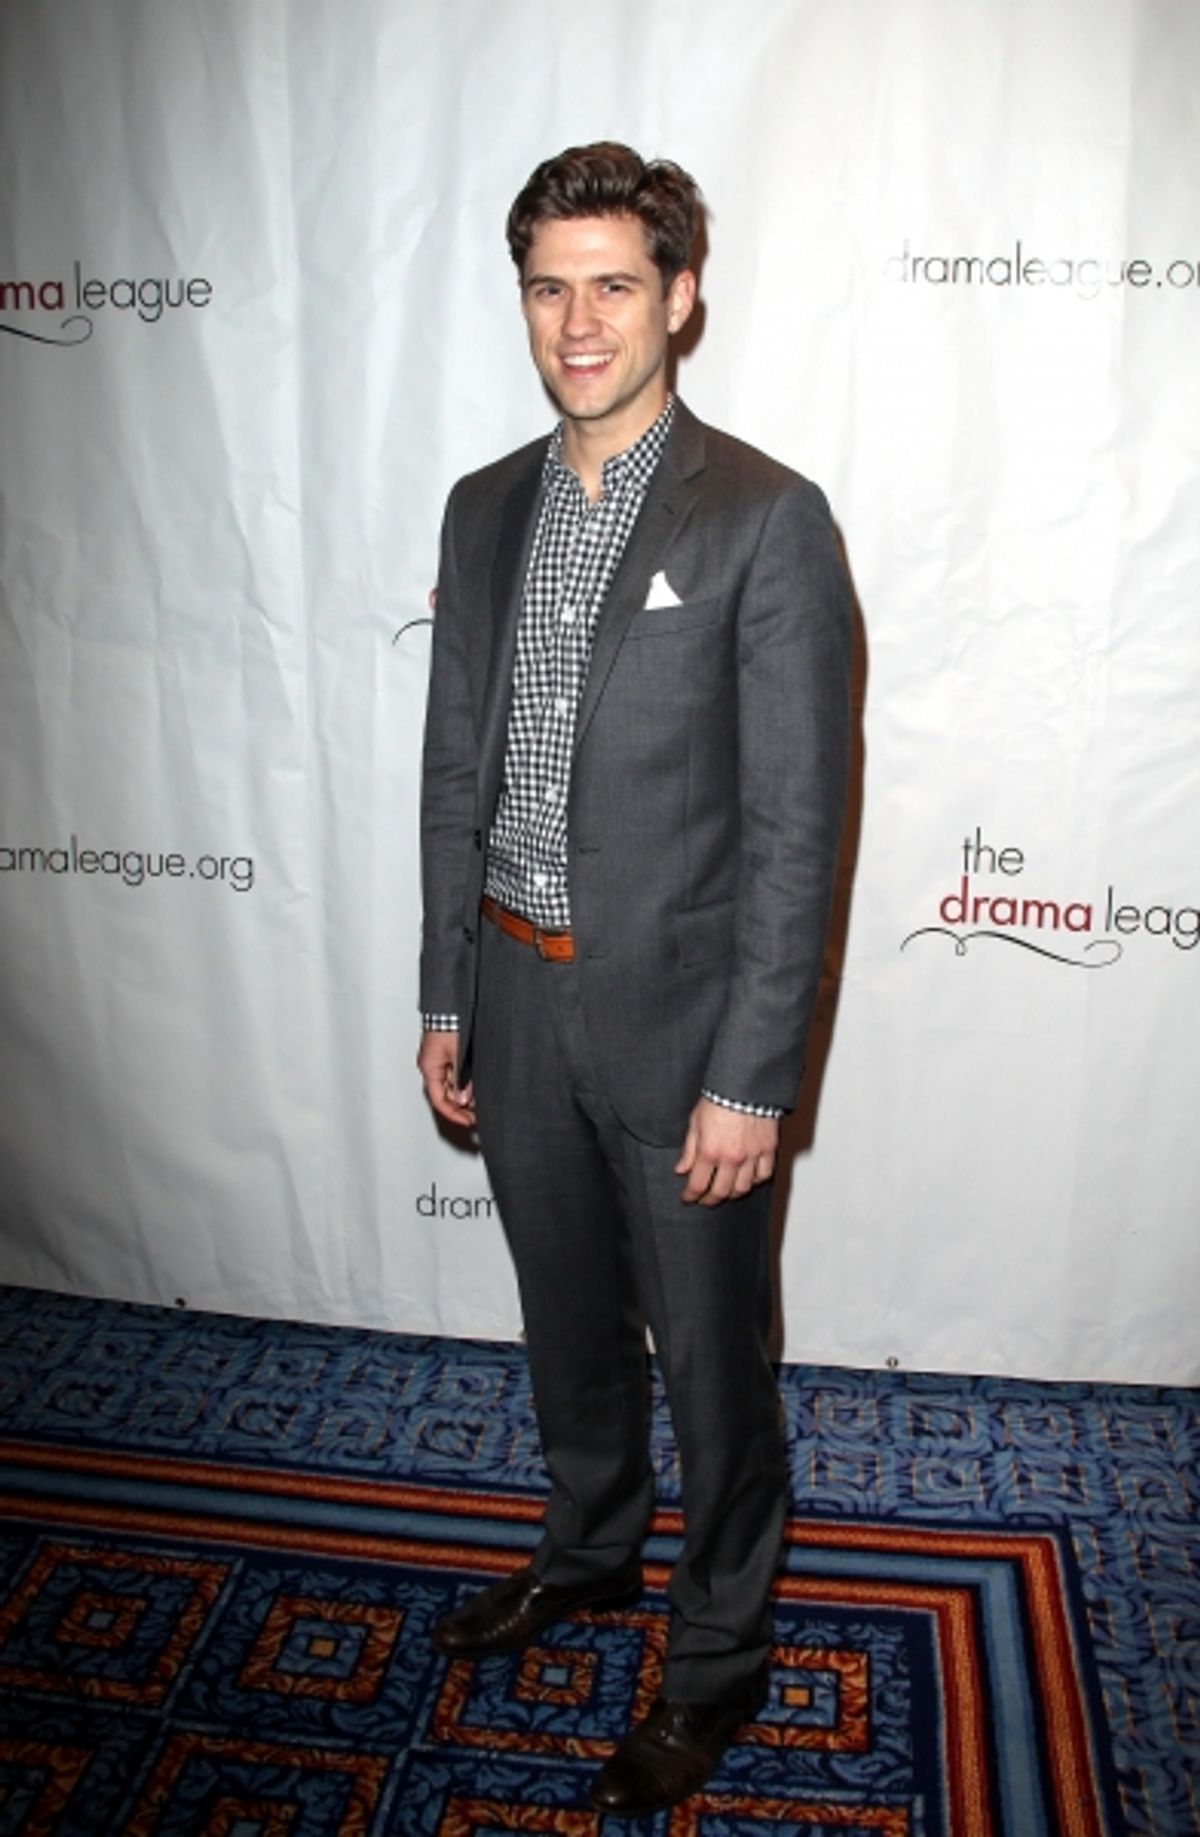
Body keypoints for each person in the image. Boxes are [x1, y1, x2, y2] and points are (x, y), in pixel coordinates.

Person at [417, 141, 850, 1816]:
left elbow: (798, 827)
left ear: (680, 297)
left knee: (715, 1367)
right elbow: (455, 770)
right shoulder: (483, 507)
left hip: (684, 1030)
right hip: (517, 996)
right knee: (565, 1321)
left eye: (613, 284)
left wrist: (752, 1074)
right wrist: (448, 992)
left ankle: (717, 1653)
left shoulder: (763, 516)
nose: (579, 322)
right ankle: (589, 1547)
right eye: (550, 287)